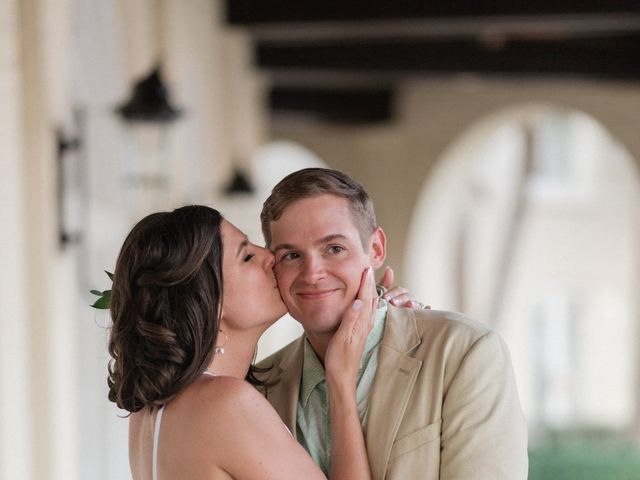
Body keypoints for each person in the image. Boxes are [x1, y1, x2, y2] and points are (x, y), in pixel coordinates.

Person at [257, 168, 529, 479]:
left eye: (334, 249)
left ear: (375, 250)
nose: (312, 274)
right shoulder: (260, 389)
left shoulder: (464, 353)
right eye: (291, 255)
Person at [107, 205, 412, 479]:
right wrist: (340, 380)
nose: (270, 257)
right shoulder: (224, 403)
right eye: (247, 256)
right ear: (209, 300)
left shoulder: (151, 411)